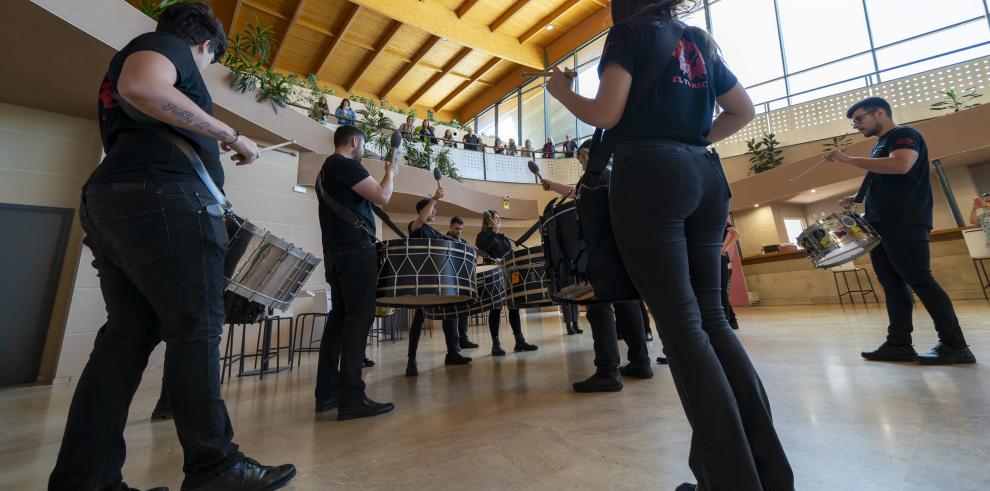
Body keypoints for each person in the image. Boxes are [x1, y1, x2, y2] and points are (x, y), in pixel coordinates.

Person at [48, 4, 297, 490]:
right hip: (163, 203)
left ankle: (87, 480)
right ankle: (215, 467)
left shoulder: (148, 54)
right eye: (209, 64)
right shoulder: (166, 47)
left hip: (122, 202)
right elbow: (141, 86)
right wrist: (230, 132)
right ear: (205, 46)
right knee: (198, 329)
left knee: (123, 342)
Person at [546, 1, 794, 488]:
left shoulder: (629, 34)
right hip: (704, 172)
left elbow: (607, 112)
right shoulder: (697, 39)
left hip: (648, 172)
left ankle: (730, 481)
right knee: (712, 320)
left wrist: (561, 92)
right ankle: (768, 472)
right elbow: (742, 110)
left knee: (681, 330)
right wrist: (692, 137)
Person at [827, 96, 976, 365]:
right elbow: (886, 177)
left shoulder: (904, 135)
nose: (856, 125)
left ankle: (955, 345)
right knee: (892, 285)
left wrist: (849, 160)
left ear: (880, 112)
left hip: (904, 219)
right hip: (881, 221)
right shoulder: (879, 146)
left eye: (859, 119)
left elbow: (901, 165)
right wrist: (858, 198)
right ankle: (898, 344)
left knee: (920, 280)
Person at [542, 140, 652, 391]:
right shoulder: (610, 176)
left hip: (598, 249)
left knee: (597, 304)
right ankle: (640, 362)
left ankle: (607, 371)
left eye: (582, 159)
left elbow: (579, 198)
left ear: (591, 155)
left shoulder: (595, 175)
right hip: (619, 249)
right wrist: (553, 186)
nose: (581, 165)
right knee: (627, 302)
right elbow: (576, 193)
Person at [315, 124, 397, 420]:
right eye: (362, 146)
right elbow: (383, 196)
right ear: (354, 142)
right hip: (355, 251)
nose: (363, 151)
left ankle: (326, 394)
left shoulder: (325, 171)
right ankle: (351, 398)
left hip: (335, 254)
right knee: (359, 318)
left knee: (338, 321)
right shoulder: (344, 165)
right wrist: (391, 172)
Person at [404, 193, 473, 376]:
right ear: (422, 211)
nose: (435, 211)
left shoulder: (434, 232)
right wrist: (434, 198)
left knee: (450, 312)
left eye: (435, 208)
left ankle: (452, 353)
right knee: (418, 319)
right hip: (422, 280)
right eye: (432, 209)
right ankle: (411, 360)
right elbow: (421, 219)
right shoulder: (415, 227)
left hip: (438, 280)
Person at [476, 210, 539, 355]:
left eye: (498, 218)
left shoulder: (503, 238)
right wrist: (493, 230)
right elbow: (484, 248)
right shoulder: (483, 236)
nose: (499, 220)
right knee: (496, 308)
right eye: (496, 218)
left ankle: (519, 342)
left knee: (514, 306)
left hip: (509, 274)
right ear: (489, 220)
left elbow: (510, 253)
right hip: (494, 274)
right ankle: (495, 344)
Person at [446, 216, 480, 349]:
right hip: (450, 280)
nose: (459, 231)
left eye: (460, 229)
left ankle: (463, 339)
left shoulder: (464, 241)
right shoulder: (444, 240)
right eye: (456, 228)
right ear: (450, 227)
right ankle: (454, 342)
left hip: (463, 279)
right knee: (453, 312)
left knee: (464, 310)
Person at [721, 220, 740, 330]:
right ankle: (732, 322)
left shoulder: (719, 218)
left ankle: (728, 322)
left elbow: (736, 234)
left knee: (721, 292)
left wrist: (725, 248)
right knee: (721, 292)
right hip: (722, 261)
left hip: (722, 261)